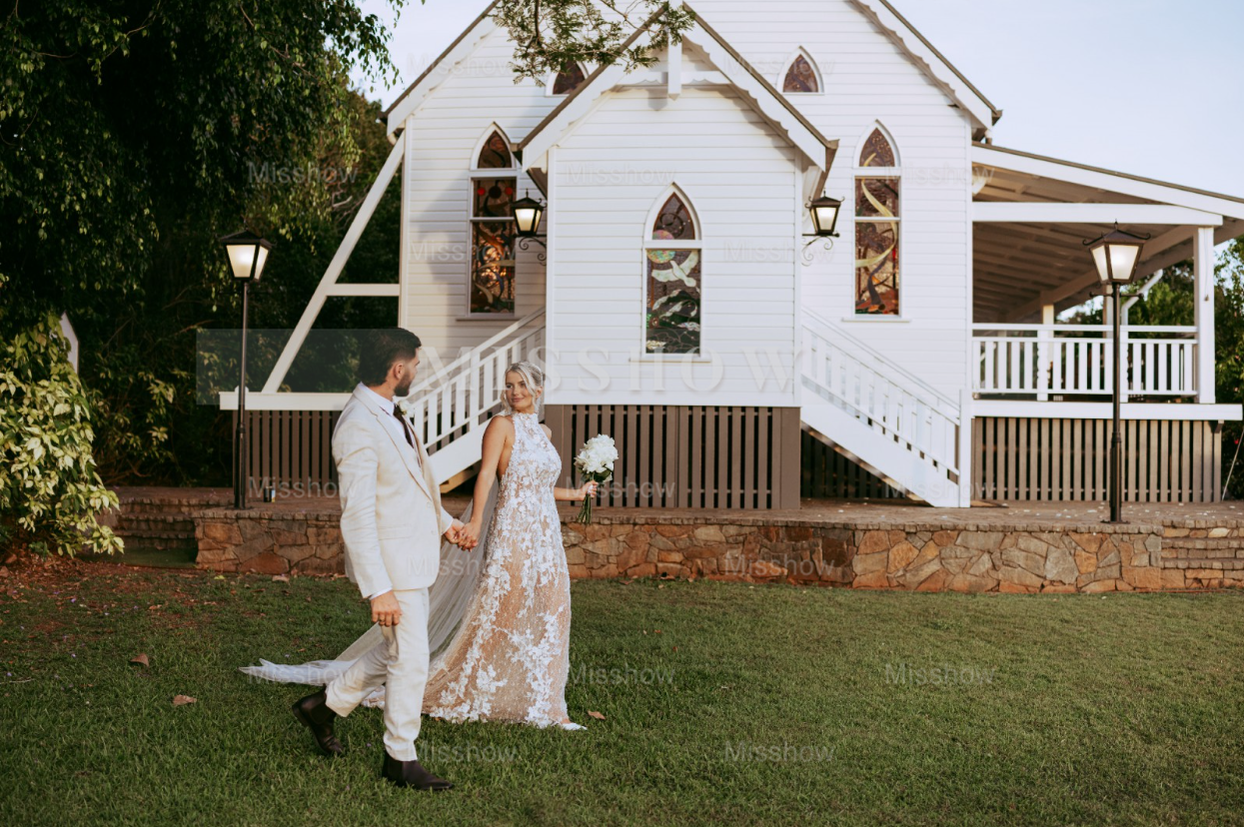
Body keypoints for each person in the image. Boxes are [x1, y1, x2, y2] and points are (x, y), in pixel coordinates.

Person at [289, 328, 465, 791]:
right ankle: (399, 759)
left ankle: (322, 708)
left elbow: (413, 484)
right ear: (397, 369)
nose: (417, 372)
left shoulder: (390, 412)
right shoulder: (358, 425)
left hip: (412, 555)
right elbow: (357, 513)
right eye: (416, 366)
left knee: (400, 651)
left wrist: (445, 523)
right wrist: (378, 588)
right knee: (410, 658)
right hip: (391, 566)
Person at [420, 360, 596, 728]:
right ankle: (465, 686)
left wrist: (576, 494)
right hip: (513, 529)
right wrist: (475, 520)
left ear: (538, 389)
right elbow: (486, 476)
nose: (514, 391)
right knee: (502, 608)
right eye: (509, 385)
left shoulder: (544, 433)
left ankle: (550, 707)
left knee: (554, 608)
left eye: (521, 384)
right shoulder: (501, 425)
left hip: (545, 535)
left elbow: (542, 488)